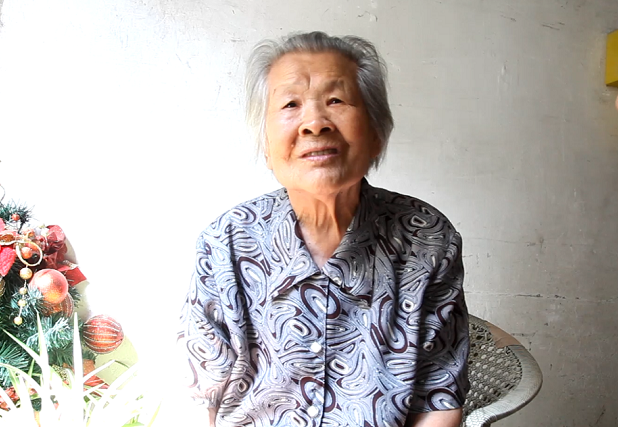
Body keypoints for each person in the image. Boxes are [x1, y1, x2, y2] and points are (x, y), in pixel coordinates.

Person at [178, 31, 469, 427]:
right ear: (266, 145)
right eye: (290, 104)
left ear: (377, 134)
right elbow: (197, 399)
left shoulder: (427, 238)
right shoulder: (225, 242)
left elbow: (439, 400)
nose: (314, 123)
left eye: (335, 100)